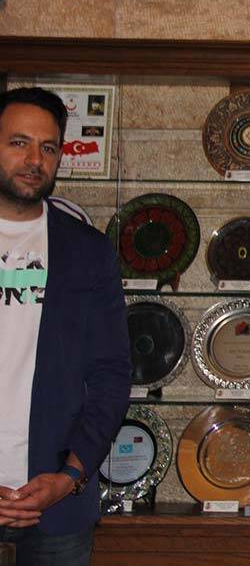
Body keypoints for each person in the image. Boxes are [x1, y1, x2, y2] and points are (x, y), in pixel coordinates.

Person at [0, 87, 130, 565]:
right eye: (19, 143)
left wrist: (71, 476)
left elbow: (111, 376)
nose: (34, 160)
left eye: (48, 147)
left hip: (57, 509)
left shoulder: (88, 252)